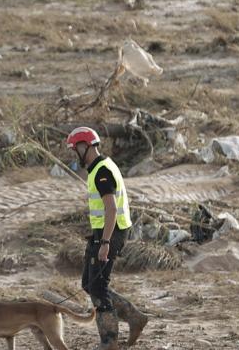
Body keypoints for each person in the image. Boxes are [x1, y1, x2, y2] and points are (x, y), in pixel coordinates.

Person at [66, 127, 148, 350]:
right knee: (89, 284)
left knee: (99, 288)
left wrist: (104, 243)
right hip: (103, 232)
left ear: (86, 146)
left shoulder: (102, 171)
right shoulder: (99, 168)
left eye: (76, 149)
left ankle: (109, 342)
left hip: (110, 233)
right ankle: (134, 317)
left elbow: (111, 209)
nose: (75, 153)